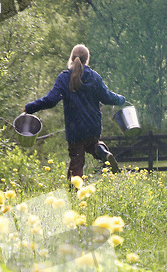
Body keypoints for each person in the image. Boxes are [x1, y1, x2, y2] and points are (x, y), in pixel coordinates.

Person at [24, 44, 125, 181]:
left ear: (71, 58)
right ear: (87, 59)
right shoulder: (95, 77)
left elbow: (51, 100)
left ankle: (74, 196)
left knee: (76, 164)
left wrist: (30, 108)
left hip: (75, 131)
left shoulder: (64, 78)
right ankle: (101, 150)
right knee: (92, 145)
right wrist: (121, 100)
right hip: (93, 128)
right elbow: (107, 97)